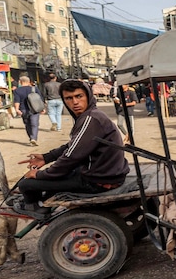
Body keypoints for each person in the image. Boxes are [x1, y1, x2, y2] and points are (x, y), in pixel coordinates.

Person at [13, 79, 129, 218]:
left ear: (88, 96)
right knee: (62, 173)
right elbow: (73, 145)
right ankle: (44, 198)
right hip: (105, 173)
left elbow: (71, 156)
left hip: (98, 180)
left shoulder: (90, 118)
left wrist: (40, 174)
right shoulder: (90, 115)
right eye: (69, 98)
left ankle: (37, 209)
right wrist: (47, 157)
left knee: (26, 184)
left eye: (79, 96)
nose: (75, 102)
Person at [13, 75, 42, 146]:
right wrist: (42, 108)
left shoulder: (17, 90)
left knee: (27, 124)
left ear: (20, 82)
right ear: (29, 82)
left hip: (23, 110)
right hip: (34, 109)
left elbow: (17, 101)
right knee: (34, 124)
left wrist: (17, 109)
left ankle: (31, 137)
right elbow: (40, 99)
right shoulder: (34, 89)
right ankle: (33, 138)